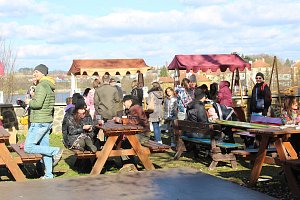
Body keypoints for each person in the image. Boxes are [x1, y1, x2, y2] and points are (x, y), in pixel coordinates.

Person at [24, 64, 63, 179]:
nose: (34, 74)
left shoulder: (42, 86)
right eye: (33, 71)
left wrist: (28, 101)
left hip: (39, 122)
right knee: (44, 149)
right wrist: (34, 95)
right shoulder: (48, 86)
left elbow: (37, 104)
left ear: (43, 73)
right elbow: (44, 103)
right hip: (46, 121)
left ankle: (55, 151)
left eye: (36, 71)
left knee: (28, 147)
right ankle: (49, 174)